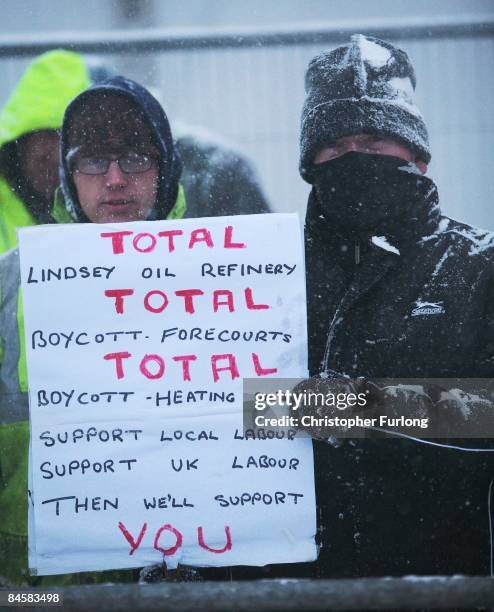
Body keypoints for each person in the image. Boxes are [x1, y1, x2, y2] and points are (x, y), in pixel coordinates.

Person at [297, 34, 494, 577]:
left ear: (418, 156)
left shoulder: (480, 268)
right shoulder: (266, 274)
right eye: (335, 146)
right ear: (310, 164)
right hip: (293, 581)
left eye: (374, 140)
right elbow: (214, 407)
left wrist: (367, 408)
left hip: (445, 575)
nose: (354, 158)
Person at [0, 76, 185, 585]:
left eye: (136, 158)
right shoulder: (8, 285)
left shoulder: (234, 277)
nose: (116, 179)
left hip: (190, 586)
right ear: (67, 174)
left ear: (165, 167)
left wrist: (336, 409)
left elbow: (276, 409)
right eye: (91, 160)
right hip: (39, 594)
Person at [0, 49, 91, 253]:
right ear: (19, 145)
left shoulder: (108, 208)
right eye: (46, 135)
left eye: (67, 134)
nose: (57, 149)